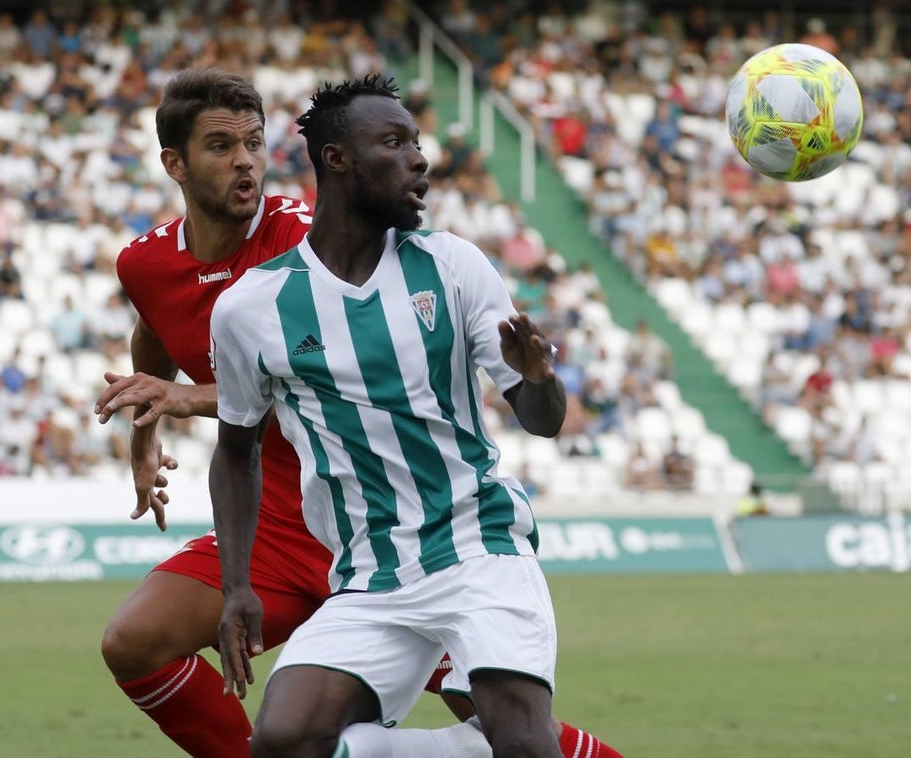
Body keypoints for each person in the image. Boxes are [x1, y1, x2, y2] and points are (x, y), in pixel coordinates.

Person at [97, 68, 620, 758]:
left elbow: (334, 380)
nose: (245, 160)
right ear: (175, 163)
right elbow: (159, 333)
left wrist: (183, 400)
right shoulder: (149, 265)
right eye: (221, 147)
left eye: (253, 143)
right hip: (287, 521)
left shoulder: (309, 246)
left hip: (417, 524)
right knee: (136, 645)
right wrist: (146, 430)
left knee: (511, 727)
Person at [208, 74, 564, 758]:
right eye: (395, 143)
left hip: (478, 544)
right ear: (337, 160)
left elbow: (541, 418)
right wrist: (235, 586)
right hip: (369, 573)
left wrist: (540, 378)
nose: (419, 160)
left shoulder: (453, 265)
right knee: (283, 740)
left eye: (417, 143)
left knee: (523, 739)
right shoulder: (253, 308)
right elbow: (235, 450)